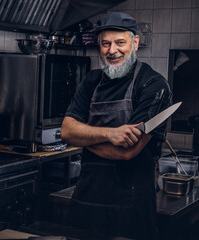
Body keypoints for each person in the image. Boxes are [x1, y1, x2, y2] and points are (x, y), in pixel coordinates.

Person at [61, 12, 172, 240]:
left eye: (120, 42)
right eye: (105, 44)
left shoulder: (153, 85)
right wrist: (110, 134)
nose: (113, 51)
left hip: (131, 205)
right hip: (86, 198)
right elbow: (66, 131)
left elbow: (127, 151)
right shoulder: (91, 81)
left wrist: (83, 137)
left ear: (135, 43)